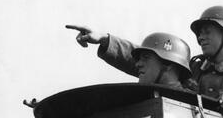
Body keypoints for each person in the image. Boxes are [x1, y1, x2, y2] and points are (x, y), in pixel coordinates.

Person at [66, 5, 223, 118]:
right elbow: (151, 63)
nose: (200, 37)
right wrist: (105, 40)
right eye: (199, 33)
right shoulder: (194, 67)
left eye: (207, 31)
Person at [66, 25, 194, 91]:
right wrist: (105, 39)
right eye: (139, 59)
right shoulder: (139, 100)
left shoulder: (197, 106)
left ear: (169, 65)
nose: (137, 64)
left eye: (146, 58)